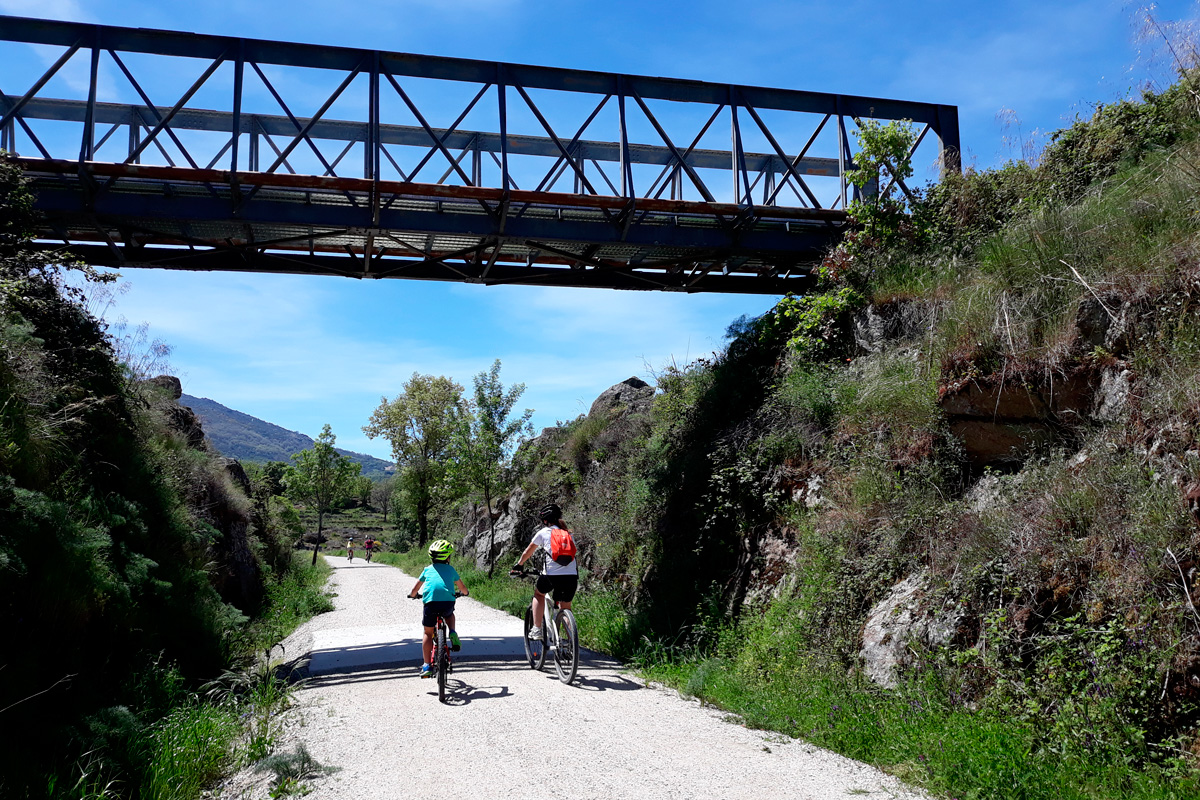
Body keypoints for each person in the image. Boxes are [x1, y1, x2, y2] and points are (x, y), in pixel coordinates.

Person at [511, 503, 577, 640]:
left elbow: (528, 551)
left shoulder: (543, 533)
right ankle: (572, 643)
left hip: (552, 576)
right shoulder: (568, 534)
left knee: (539, 594)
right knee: (566, 608)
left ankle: (537, 629)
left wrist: (519, 565)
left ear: (545, 520)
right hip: (571, 577)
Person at [407, 539, 469, 678]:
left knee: (428, 633)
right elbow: (462, 587)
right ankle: (452, 632)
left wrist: (413, 595)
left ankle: (427, 665)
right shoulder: (451, 569)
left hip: (430, 604)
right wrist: (465, 593)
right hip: (447, 602)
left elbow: (415, 588)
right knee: (449, 614)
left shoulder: (427, 570)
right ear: (448, 557)